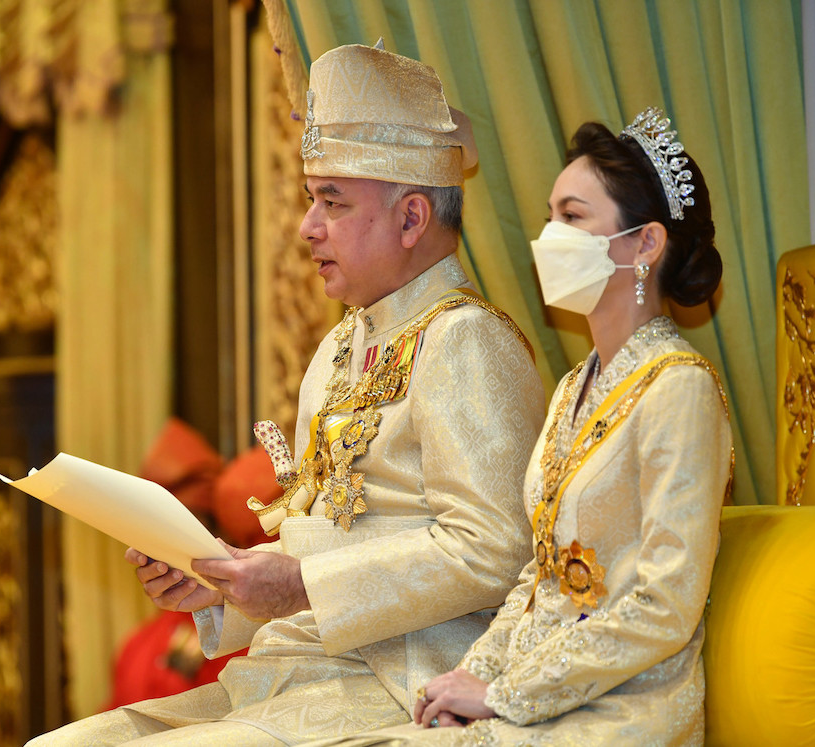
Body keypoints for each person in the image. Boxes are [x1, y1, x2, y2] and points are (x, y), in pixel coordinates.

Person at [27, 42, 545, 746]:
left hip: (398, 687)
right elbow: (319, 537)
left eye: (332, 201)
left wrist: (301, 585)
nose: (308, 227)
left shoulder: (467, 341)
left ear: (412, 218)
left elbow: (497, 549)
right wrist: (222, 585)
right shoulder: (338, 349)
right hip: (290, 675)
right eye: (310, 199)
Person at [303, 108, 734, 746]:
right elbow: (538, 573)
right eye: (551, 215)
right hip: (533, 698)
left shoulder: (681, 388)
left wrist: (507, 693)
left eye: (573, 216)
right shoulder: (571, 390)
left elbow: (665, 608)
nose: (549, 235)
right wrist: (465, 680)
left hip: (624, 711)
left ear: (645, 244)